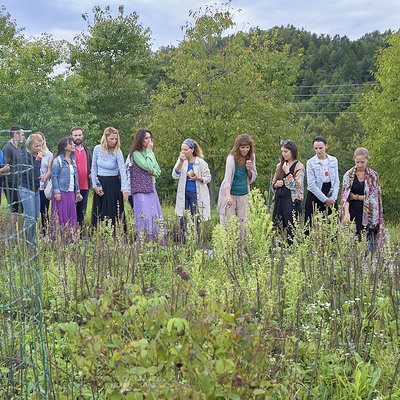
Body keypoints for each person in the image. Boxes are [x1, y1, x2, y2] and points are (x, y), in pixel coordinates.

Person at [339, 147, 384, 247]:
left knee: (369, 240)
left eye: (362, 162)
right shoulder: (348, 175)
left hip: (370, 213)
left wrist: (356, 197)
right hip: (353, 210)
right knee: (353, 239)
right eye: (357, 162)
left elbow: (374, 197)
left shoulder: (373, 176)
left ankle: (370, 261)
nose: (359, 165)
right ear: (354, 160)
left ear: (367, 160)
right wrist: (346, 213)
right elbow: (345, 197)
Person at [127, 129, 164, 240]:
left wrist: (152, 171)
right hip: (141, 189)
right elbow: (147, 166)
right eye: (146, 138)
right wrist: (149, 152)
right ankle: (144, 241)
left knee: (154, 213)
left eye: (150, 138)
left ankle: (155, 241)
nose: (149, 141)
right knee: (144, 214)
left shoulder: (150, 153)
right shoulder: (136, 154)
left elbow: (158, 170)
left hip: (151, 187)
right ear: (140, 140)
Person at [217, 134, 257, 236]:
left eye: (247, 147)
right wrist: (227, 195)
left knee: (243, 225)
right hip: (230, 193)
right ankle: (228, 250)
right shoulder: (231, 158)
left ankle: (242, 250)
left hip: (243, 194)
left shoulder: (251, 157)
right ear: (238, 147)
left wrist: (249, 169)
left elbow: (252, 177)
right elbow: (227, 178)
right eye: (242, 147)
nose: (245, 150)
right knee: (229, 224)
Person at [172, 138, 211, 238]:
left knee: (196, 218)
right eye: (182, 149)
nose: (183, 152)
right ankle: (186, 241)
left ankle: (195, 241)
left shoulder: (201, 163)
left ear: (192, 150)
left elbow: (208, 178)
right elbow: (174, 175)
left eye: (185, 149)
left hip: (196, 194)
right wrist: (180, 162)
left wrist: (197, 178)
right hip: (184, 194)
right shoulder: (181, 161)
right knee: (183, 219)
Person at [91, 127, 129, 228]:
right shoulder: (97, 149)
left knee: (114, 211)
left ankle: (116, 235)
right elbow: (93, 168)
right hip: (100, 182)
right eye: (111, 138)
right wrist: (94, 185)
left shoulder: (118, 151)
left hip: (113, 184)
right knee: (100, 211)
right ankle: (99, 234)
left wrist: (125, 188)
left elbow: (122, 170)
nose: (114, 141)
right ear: (106, 138)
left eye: (115, 139)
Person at [272, 140, 305, 242]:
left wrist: (287, 172)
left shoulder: (299, 166)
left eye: (286, 151)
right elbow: (273, 184)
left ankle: (291, 253)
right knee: (277, 228)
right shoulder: (279, 165)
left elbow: (296, 186)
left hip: (292, 202)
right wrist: (276, 184)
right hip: (279, 200)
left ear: (292, 151)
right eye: (282, 151)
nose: (283, 154)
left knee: (291, 230)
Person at [305, 136, 339, 225]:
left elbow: (336, 181)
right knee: (312, 225)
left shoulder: (333, 160)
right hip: (315, 195)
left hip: (330, 194)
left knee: (331, 224)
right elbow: (311, 184)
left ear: (326, 146)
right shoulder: (310, 162)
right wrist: (324, 199)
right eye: (316, 148)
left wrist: (333, 198)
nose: (318, 151)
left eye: (320, 148)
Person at [51, 137, 81, 237]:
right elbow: (54, 176)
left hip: (71, 191)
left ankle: (70, 238)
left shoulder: (73, 159)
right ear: (64, 147)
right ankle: (59, 239)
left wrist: (77, 191)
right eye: (70, 144)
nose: (73, 145)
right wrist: (56, 192)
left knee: (71, 215)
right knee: (60, 215)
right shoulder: (57, 160)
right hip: (61, 191)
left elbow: (75, 176)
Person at [19, 133, 43, 241]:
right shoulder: (24, 155)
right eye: (36, 146)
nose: (38, 148)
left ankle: (32, 239)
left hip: (36, 189)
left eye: (40, 146)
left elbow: (36, 174)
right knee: (30, 218)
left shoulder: (36, 155)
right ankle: (27, 241)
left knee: (36, 217)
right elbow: (31, 175)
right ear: (30, 145)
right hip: (26, 189)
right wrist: (37, 161)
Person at [2, 125, 25, 224]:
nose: (24, 137)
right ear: (16, 134)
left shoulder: (19, 149)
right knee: (14, 209)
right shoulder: (7, 148)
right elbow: (4, 166)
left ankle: (17, 232)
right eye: (22, 134)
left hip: (19, 183)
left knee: (20, 209)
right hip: (10, 183)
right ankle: (12, 234)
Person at [70, 126, 92, 228]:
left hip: (85, 186)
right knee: (71, 212)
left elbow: (91, 166)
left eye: (79, 135)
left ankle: (80, 235)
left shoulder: (87, 150)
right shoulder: (69, 150)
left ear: (82, 135)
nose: (78, 137)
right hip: (72, 187)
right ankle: (70, 235)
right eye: (75, 135)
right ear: (71, 136)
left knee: (82, 213)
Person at [37, 132, 53, 233]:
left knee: (44, 211)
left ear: (43, 140)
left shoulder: (49, 154)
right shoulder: (29, 153)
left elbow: (50, 170)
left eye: (40, 139)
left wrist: (43, 179)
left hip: (44, 186)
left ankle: (45, 232)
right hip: (33, 186)